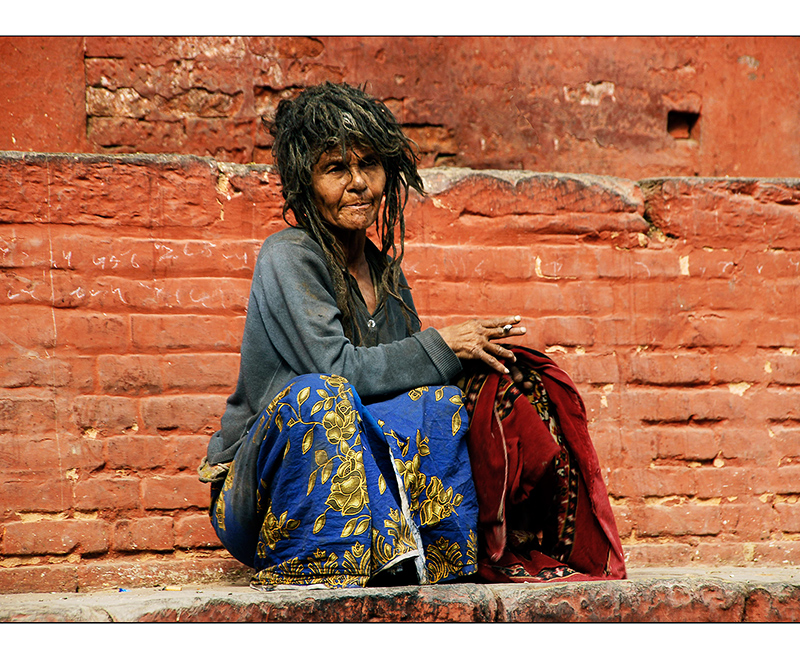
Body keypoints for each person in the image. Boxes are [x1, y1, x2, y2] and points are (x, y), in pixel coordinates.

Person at [199, 82, 625, 589]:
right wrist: (445, 346)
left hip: (368, 491)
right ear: (304, 183)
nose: (358, 184)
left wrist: (473, 370)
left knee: (442, 403)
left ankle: (429, 561)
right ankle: (329, 558)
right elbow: (335, 368)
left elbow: (407, 394)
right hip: (259, 499)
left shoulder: (387, 277)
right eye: (336, 169)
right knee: (319, 395)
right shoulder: (289, 256)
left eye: (370, 166)